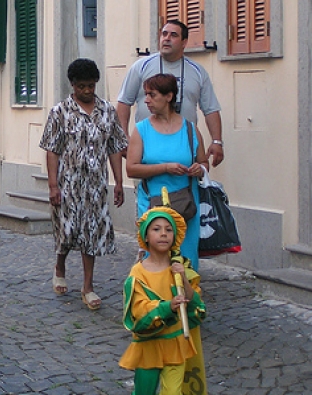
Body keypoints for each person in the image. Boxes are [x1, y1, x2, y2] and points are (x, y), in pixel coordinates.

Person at [39, 58, 127, 310]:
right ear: (73, 85)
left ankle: (88, 286)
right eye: (82, 87)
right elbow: (52, 150)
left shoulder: (107, 111)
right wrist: (53, 185)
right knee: (67, 231)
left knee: (91, 233)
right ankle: (60, 265)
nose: (87, 91)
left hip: (96, 185)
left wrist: (119, 181)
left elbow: (114, 147)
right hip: (68, 183)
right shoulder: (60, 112)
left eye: (91, 86)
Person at [119, 204, 207, 395]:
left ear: (175, 237)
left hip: (175, 343)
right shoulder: (138, 273)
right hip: (149, 346)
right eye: (156, 229)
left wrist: (184, 278)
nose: (163, 234)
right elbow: (139, 311)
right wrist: (168, 307)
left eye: (168, 230)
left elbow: (195, 303)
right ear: (146, 237)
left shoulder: (179, 268)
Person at [126, 74, 208, 270]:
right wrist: (165, 168)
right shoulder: (141, 130)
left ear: (169, 96)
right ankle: (158, 299)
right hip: (153, 205)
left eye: (152, 95)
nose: (147, 100)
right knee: (156, 260)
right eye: (146, 95)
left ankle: (186, 298)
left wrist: (200, 169)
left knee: (186, 258)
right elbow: (131, 168)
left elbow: (204, 162)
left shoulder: (190, 129)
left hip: (186, 205)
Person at [117, 20, 224, 167]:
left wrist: (217, 141)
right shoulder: (140, 67)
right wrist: (123, 137)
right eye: (164, 34)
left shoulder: (198, 72)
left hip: (184, 145)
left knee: (183, 187)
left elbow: (210, 109)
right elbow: (124, 102)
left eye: (173, 35)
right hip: (148, 144)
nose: (166, 38)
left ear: (184, 42)